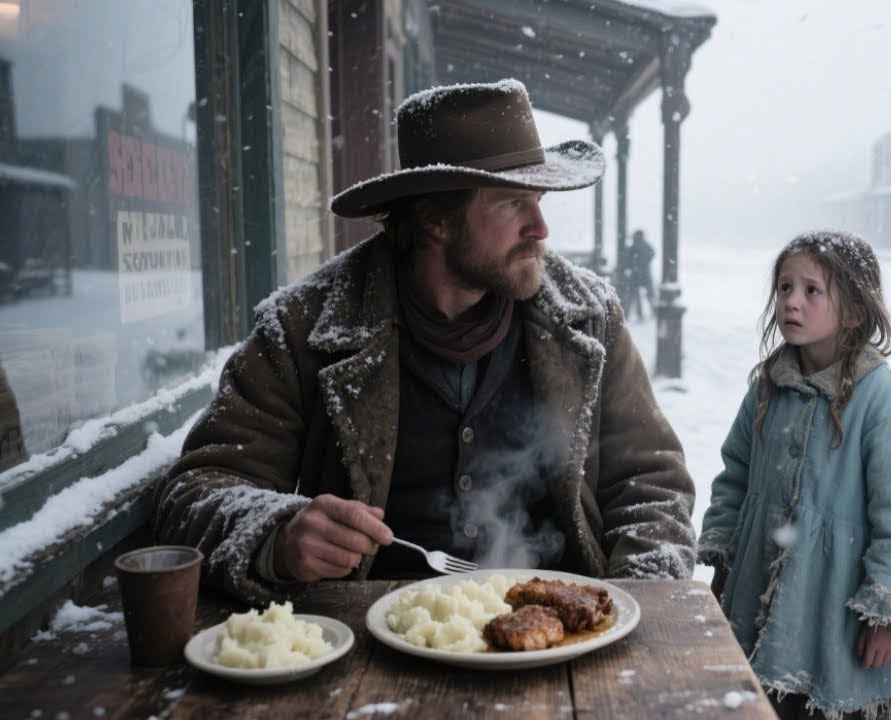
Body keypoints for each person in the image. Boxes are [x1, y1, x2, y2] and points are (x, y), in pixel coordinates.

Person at [154, 79, 697, 604]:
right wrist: (279, 535)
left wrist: (635, 606)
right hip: (364, 644)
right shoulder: (302, 328)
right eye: (512, 203)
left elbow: (653, 486)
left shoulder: (588, 318)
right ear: (435, 220)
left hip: (560, 643)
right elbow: (195, 492)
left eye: (540, 200)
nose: (540, 227)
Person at [698, 231, 891, 720]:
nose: (791, 301)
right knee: (764, 702)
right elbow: (734, 474)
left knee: (831, 702)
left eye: (812, 290)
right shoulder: (768, 387)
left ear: (853, 309)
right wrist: (724, 552)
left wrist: (887, 613)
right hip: (760, 577)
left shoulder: (883, 402)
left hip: (839, 595)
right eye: (785, 287)